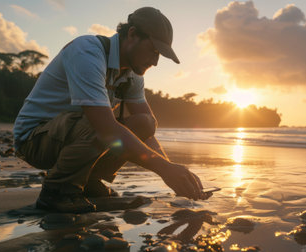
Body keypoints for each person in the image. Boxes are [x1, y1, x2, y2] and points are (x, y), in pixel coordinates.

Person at [13, 7, 210, 213]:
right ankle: (57, 191)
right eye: (153, 51)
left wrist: (173, 173)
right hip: (34, 140)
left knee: (145, 123)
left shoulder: (132, 75)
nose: (155, 61)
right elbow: (105, 128)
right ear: (132, 34)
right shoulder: (87, 51)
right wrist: (165, 169)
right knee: (101, 123)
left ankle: (88, 181)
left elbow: (146, 132)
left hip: (72, 137)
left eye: (159, 55)